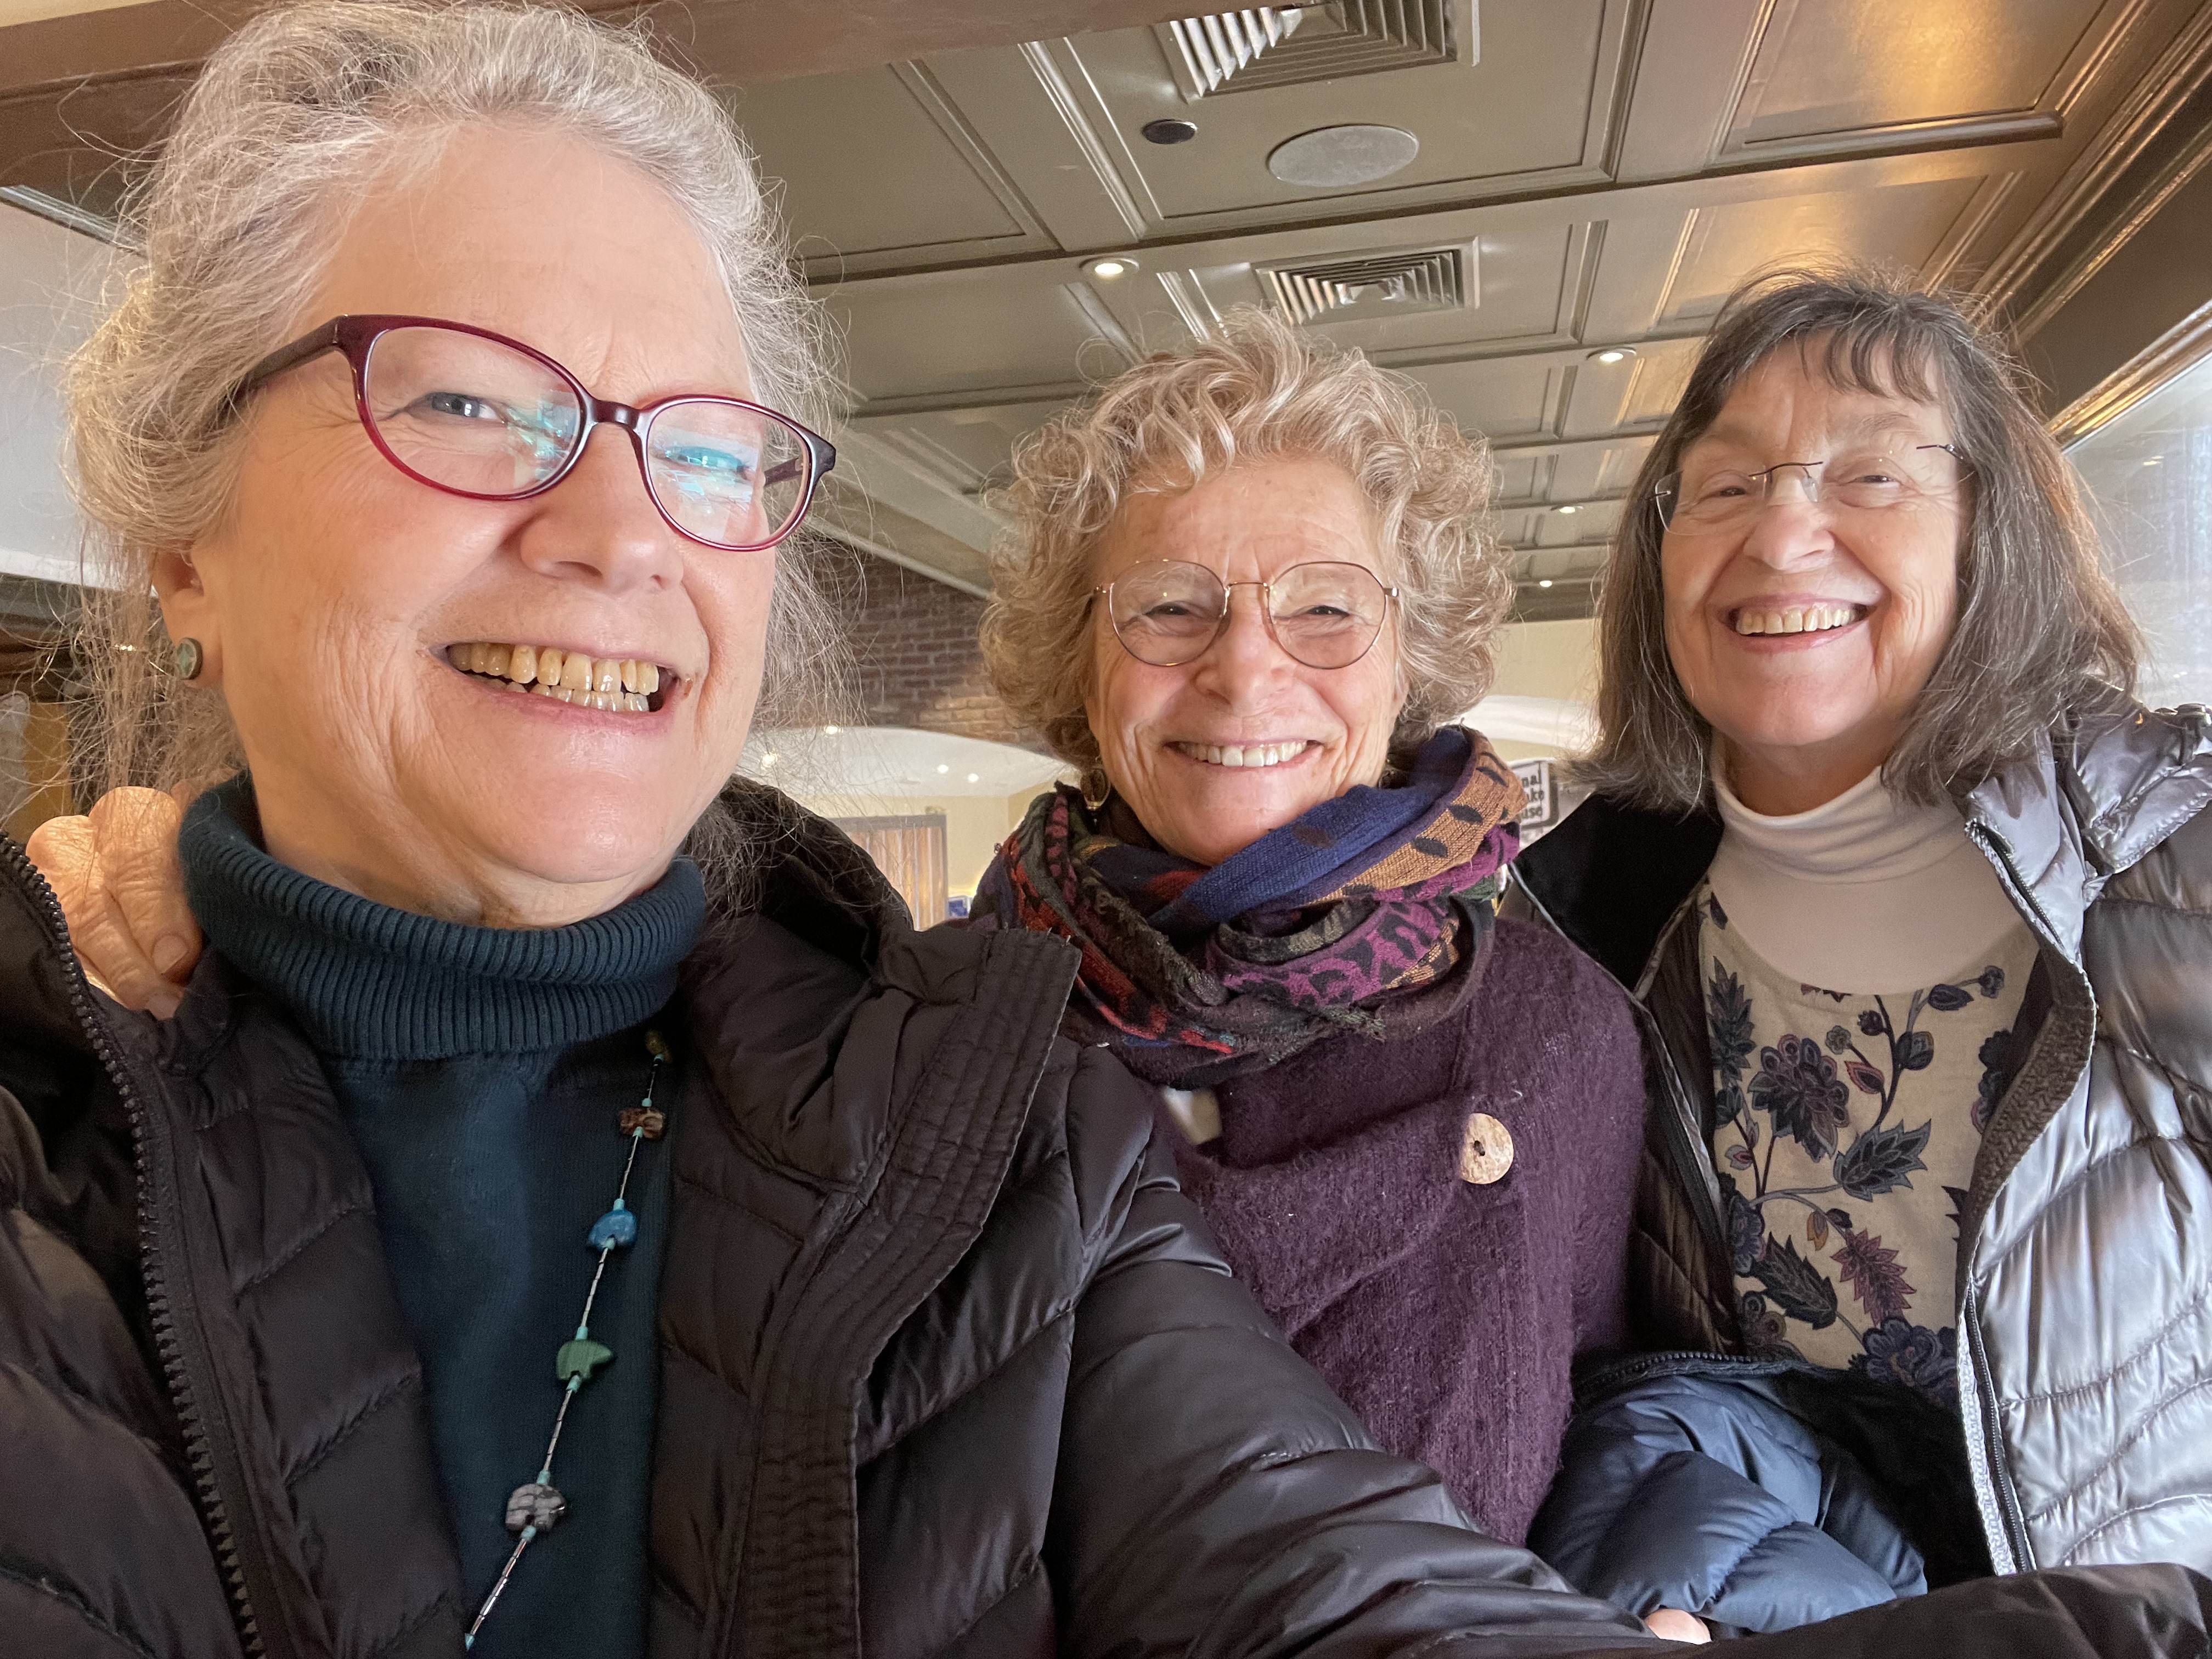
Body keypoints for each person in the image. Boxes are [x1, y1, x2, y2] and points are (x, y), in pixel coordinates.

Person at [24, 31, 2212, 1649]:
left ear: (1409, 663)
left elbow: (1376, 1532)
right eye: (467, 401)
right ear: (173, 535)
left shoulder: (1488, 1015)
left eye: (696, 443)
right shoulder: (967, 1021)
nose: (610, 528)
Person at [1506, 267, 2212, 1622]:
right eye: (1724, 485)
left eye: (1870, 479)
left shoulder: (2164, 856)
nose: (1782, 536)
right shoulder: (1589, 925)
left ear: (1985, 536)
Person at [968, 309, 1662, 1561]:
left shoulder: (1559, 1033)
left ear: (1410, 662)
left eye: (1327, 609)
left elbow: (1605, 1435)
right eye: (1170, 606)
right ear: (1081, 666)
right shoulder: (942, 1029)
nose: (1245, 667)